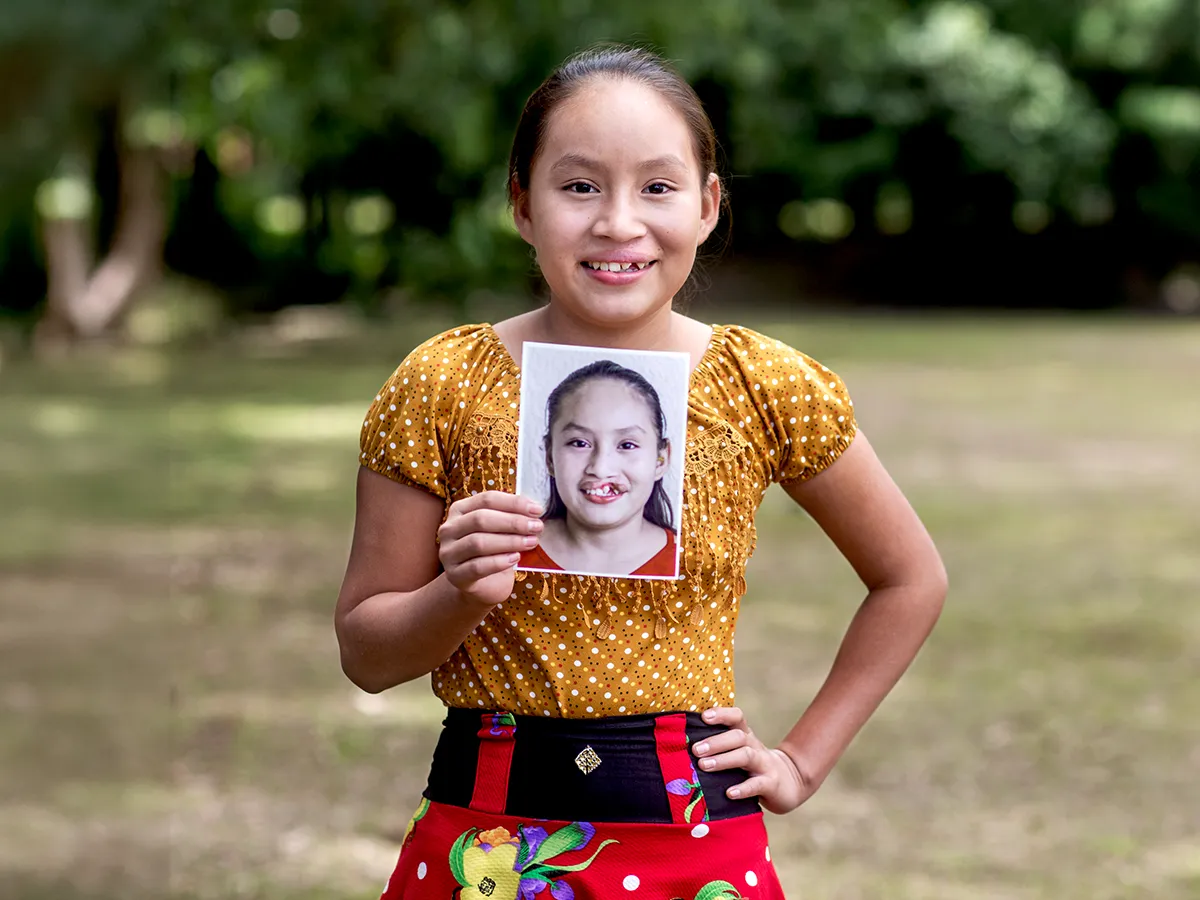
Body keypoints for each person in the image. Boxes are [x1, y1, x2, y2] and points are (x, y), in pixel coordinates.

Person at [336, 44, 947, 899]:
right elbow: (365, 652)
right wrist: (459, 590)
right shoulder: (444, 385)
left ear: (706, 206)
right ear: (522, 204)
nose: (618, 222)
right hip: (487, 846)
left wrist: (801, 761)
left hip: (696, 844)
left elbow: (909, 577)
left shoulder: (761, 386)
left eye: (656, 188)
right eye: (578, 186)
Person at [520, 358, 680, 578]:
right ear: (549, 456)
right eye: (579, 443)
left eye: (627, 445)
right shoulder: (510, 553)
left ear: (660, 460)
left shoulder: (691, 562)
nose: (601, 468)